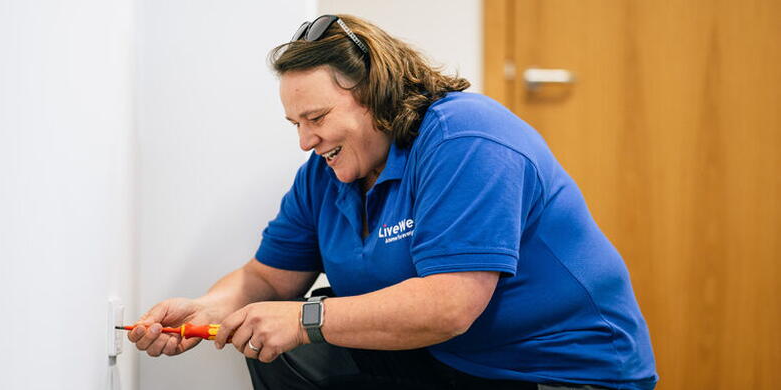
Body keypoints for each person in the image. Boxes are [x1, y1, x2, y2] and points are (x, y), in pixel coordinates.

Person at [128, 14, 658, 390]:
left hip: (557, 373)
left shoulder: (466, 139)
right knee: (281, 346)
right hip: (454, 363)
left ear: (376, 93)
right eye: (295, 124)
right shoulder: (325, 174)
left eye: (317, 118)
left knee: (303, 324)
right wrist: (208, 308)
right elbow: (268, 278)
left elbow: (450, 306)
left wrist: (305, 318)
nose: (306, 141)